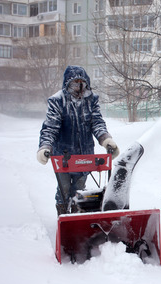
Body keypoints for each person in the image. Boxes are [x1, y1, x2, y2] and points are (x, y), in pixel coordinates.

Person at [37, 65, 120, 215]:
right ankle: (62, 215)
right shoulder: (58, 101)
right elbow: (51, 127)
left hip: (84, 154)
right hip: (63, 155)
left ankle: (76, 216)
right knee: (64, 188)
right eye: (75, 82)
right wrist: (45, 146)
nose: (79, 86)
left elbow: (97, 122)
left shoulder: (91, 100)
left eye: (82, 82)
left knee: (80, 188)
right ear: (68, 83)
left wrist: (106, 140)